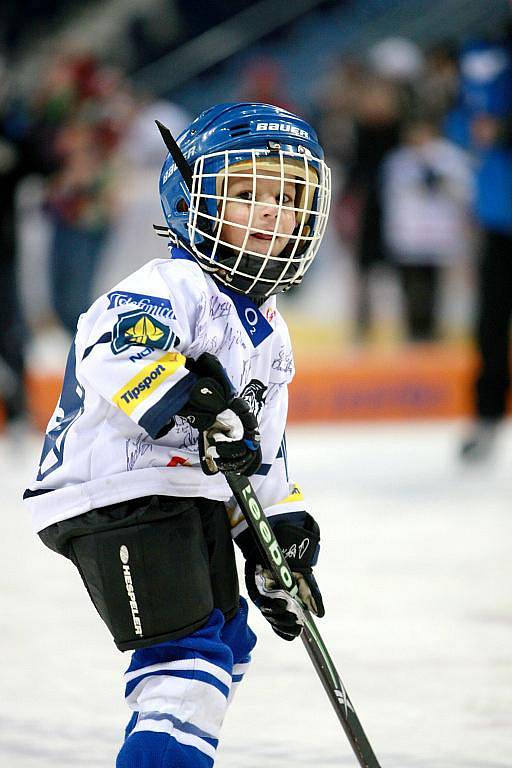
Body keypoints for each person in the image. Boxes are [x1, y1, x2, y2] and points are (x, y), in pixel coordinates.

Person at [23, 102, 331, 767]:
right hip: (119, 492)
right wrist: (188, 398)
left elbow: (263, 446)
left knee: (227, 642)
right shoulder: (173, 284)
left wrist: (277, 528)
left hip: (179, 496)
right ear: (193, 199)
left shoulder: (271, 331)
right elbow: (110, 347)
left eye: (288, 196)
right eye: (247, 192)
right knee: (185, 667)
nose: (273, 210)